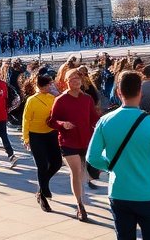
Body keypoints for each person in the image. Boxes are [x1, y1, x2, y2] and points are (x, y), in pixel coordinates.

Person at [88, 71, 150, 240]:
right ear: (140, 91)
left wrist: (110, 166)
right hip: (148, 195)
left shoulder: (105, 121)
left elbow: (92, 157)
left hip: (119, 193)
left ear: (119, 92)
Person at [49, 70, 100, 221]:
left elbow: (94, 118)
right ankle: (80, 205)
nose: (76, 81)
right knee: (76, 171)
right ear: (66, 81)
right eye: (72, 79)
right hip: (68, 141)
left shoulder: (87, 99)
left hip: (85, 140)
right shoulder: (61, 100)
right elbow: (51, 121)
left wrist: (104, 124)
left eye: (78, 78)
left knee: (88, 172)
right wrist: (62, 124)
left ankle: (81, 198)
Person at [21, 74, 61, 212]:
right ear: (40, 86)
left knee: (56, 163)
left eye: (50, 84)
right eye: (47, 85)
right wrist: (26, 138)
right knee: (42, 165)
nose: (50, 87)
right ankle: (43, 195)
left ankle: (42, 187)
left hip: (51, 134)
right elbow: (26, 119)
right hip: (36, 135)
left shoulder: (52, 98)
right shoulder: (31, 100)